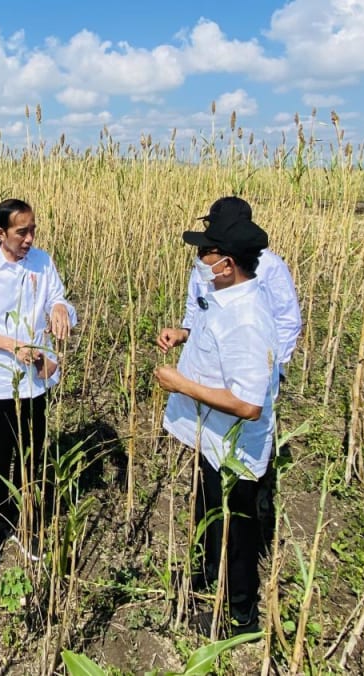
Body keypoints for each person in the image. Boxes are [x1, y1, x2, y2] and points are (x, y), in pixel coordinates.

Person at [153, 204, 278, 636]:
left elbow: (248, 405)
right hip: (213, 438)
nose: (200, 259)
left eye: (207, 252)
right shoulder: (226, 297)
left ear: (226, 264)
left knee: (239, 533)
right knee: (210, 510)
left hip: (236, 447)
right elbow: (209, 338)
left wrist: (181, 385)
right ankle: (207, 574)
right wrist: (183, 335)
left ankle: (241, 615)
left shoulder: (248, 320)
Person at [0, 198, 77, 569]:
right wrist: (11, 346)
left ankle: (30, 521)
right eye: (21, 231)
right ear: (0, 233)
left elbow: (59, 300)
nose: (29, 238)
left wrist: (60, 308)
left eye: (33, 230)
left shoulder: (43, 261)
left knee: (34, 454)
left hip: (36, 381)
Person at [179, 197, 300, 378]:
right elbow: (196, 306)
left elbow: (287, 319)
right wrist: (184, 332)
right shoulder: (207, 260)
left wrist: (273, 366)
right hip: (206, 368)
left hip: (249, 369)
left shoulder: (270, 266)